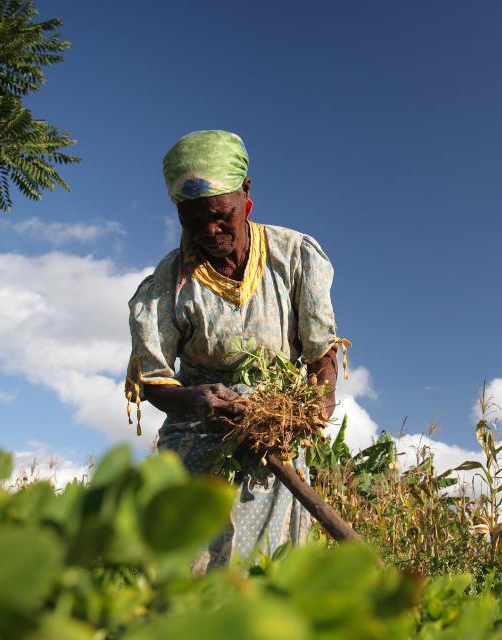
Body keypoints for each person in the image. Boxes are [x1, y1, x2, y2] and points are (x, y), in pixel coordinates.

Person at [124, 130, 348, 569]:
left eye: (220, 214)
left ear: (246, 194)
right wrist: (197, 400)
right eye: (192, 221)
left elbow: (321, 352)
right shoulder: (166, 283)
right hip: (198, 434)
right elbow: (152, 380)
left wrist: (312, 408)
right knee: (190, 574)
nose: (209, 231)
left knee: (266, 569)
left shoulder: (295, 256)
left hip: (275, 430)